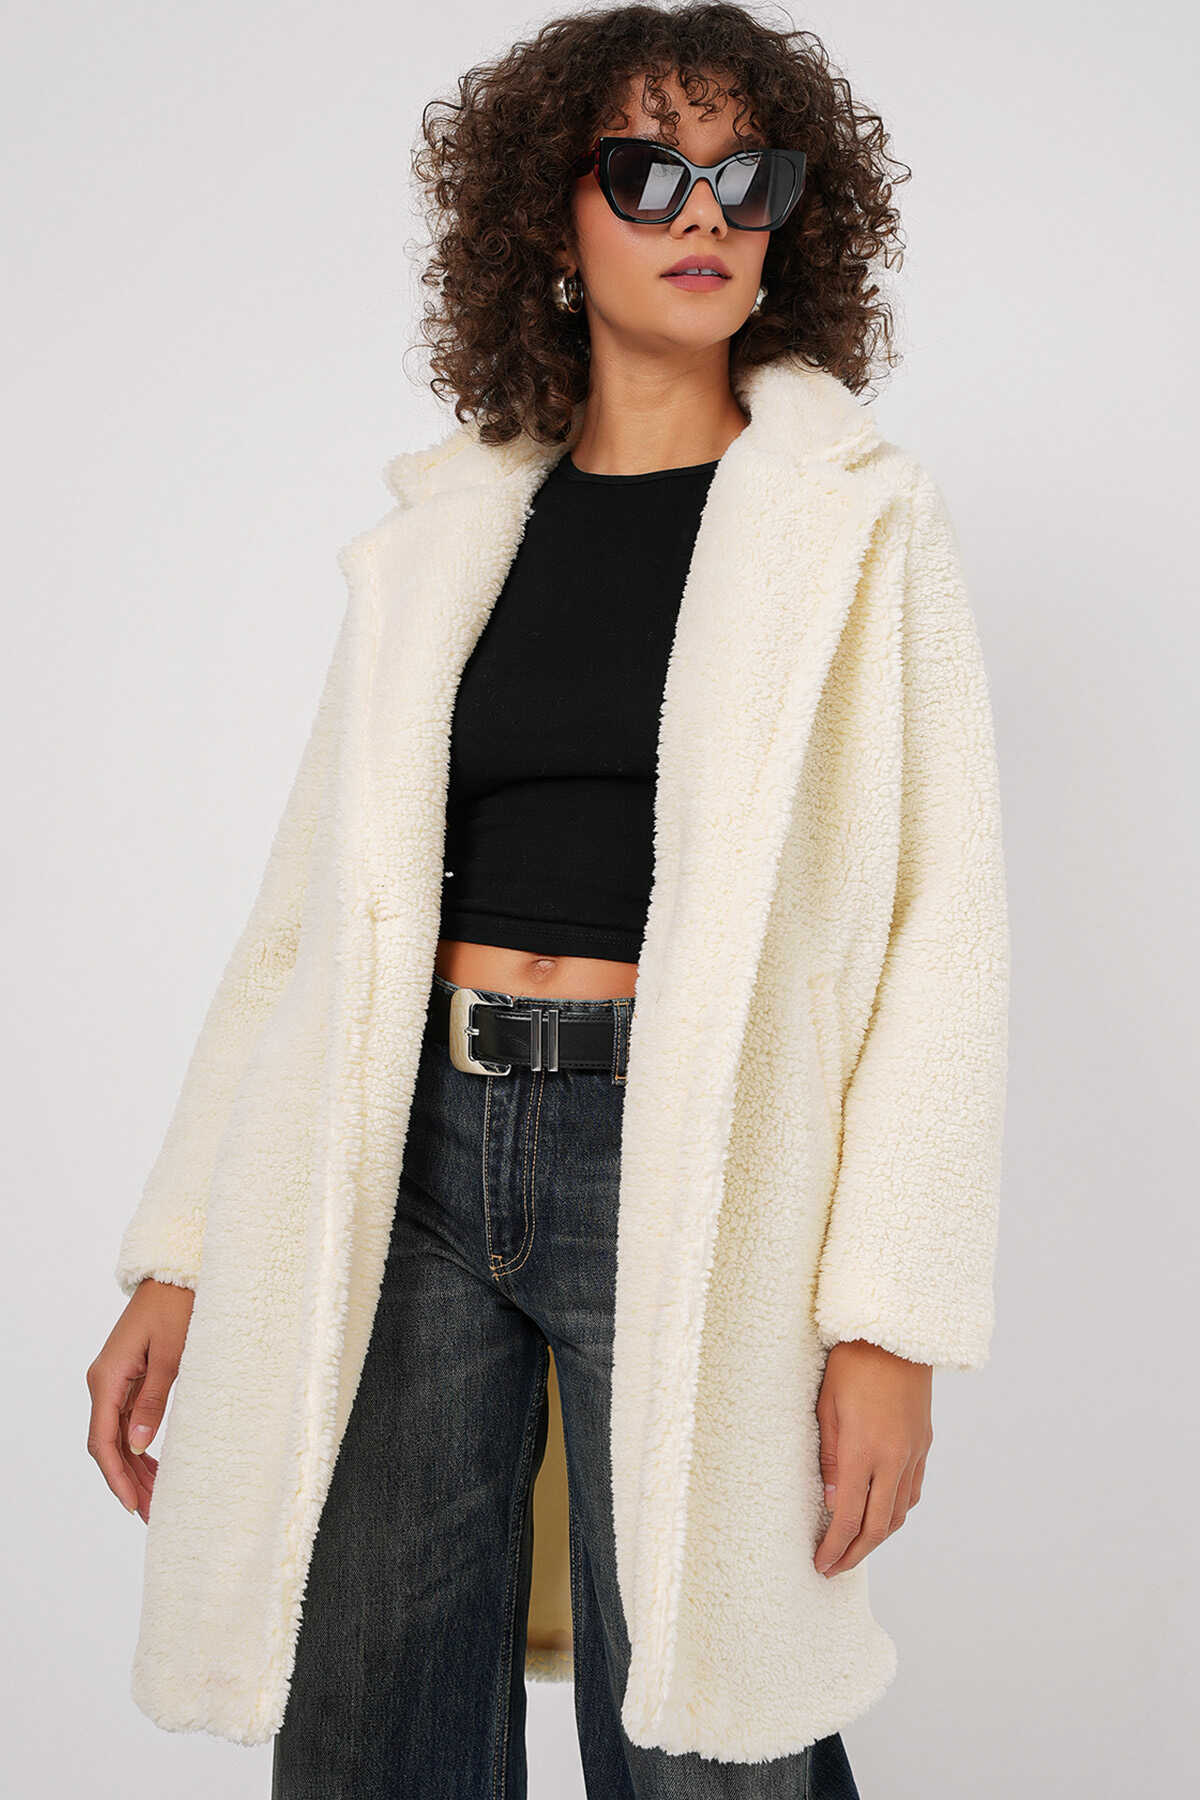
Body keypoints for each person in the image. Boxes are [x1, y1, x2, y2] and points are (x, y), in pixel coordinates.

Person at [87, 6, 1010, 1796]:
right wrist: (184, 1249)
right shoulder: (445, 531)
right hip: (408, 1155)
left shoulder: (857, 527)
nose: (705, 211)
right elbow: (304, 923)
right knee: (370, 1709)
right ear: (550, 218)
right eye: (648, 171)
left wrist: (889, 1323)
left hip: (691, 1153)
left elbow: (943, 941)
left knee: (709, 1729)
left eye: (747, 175)